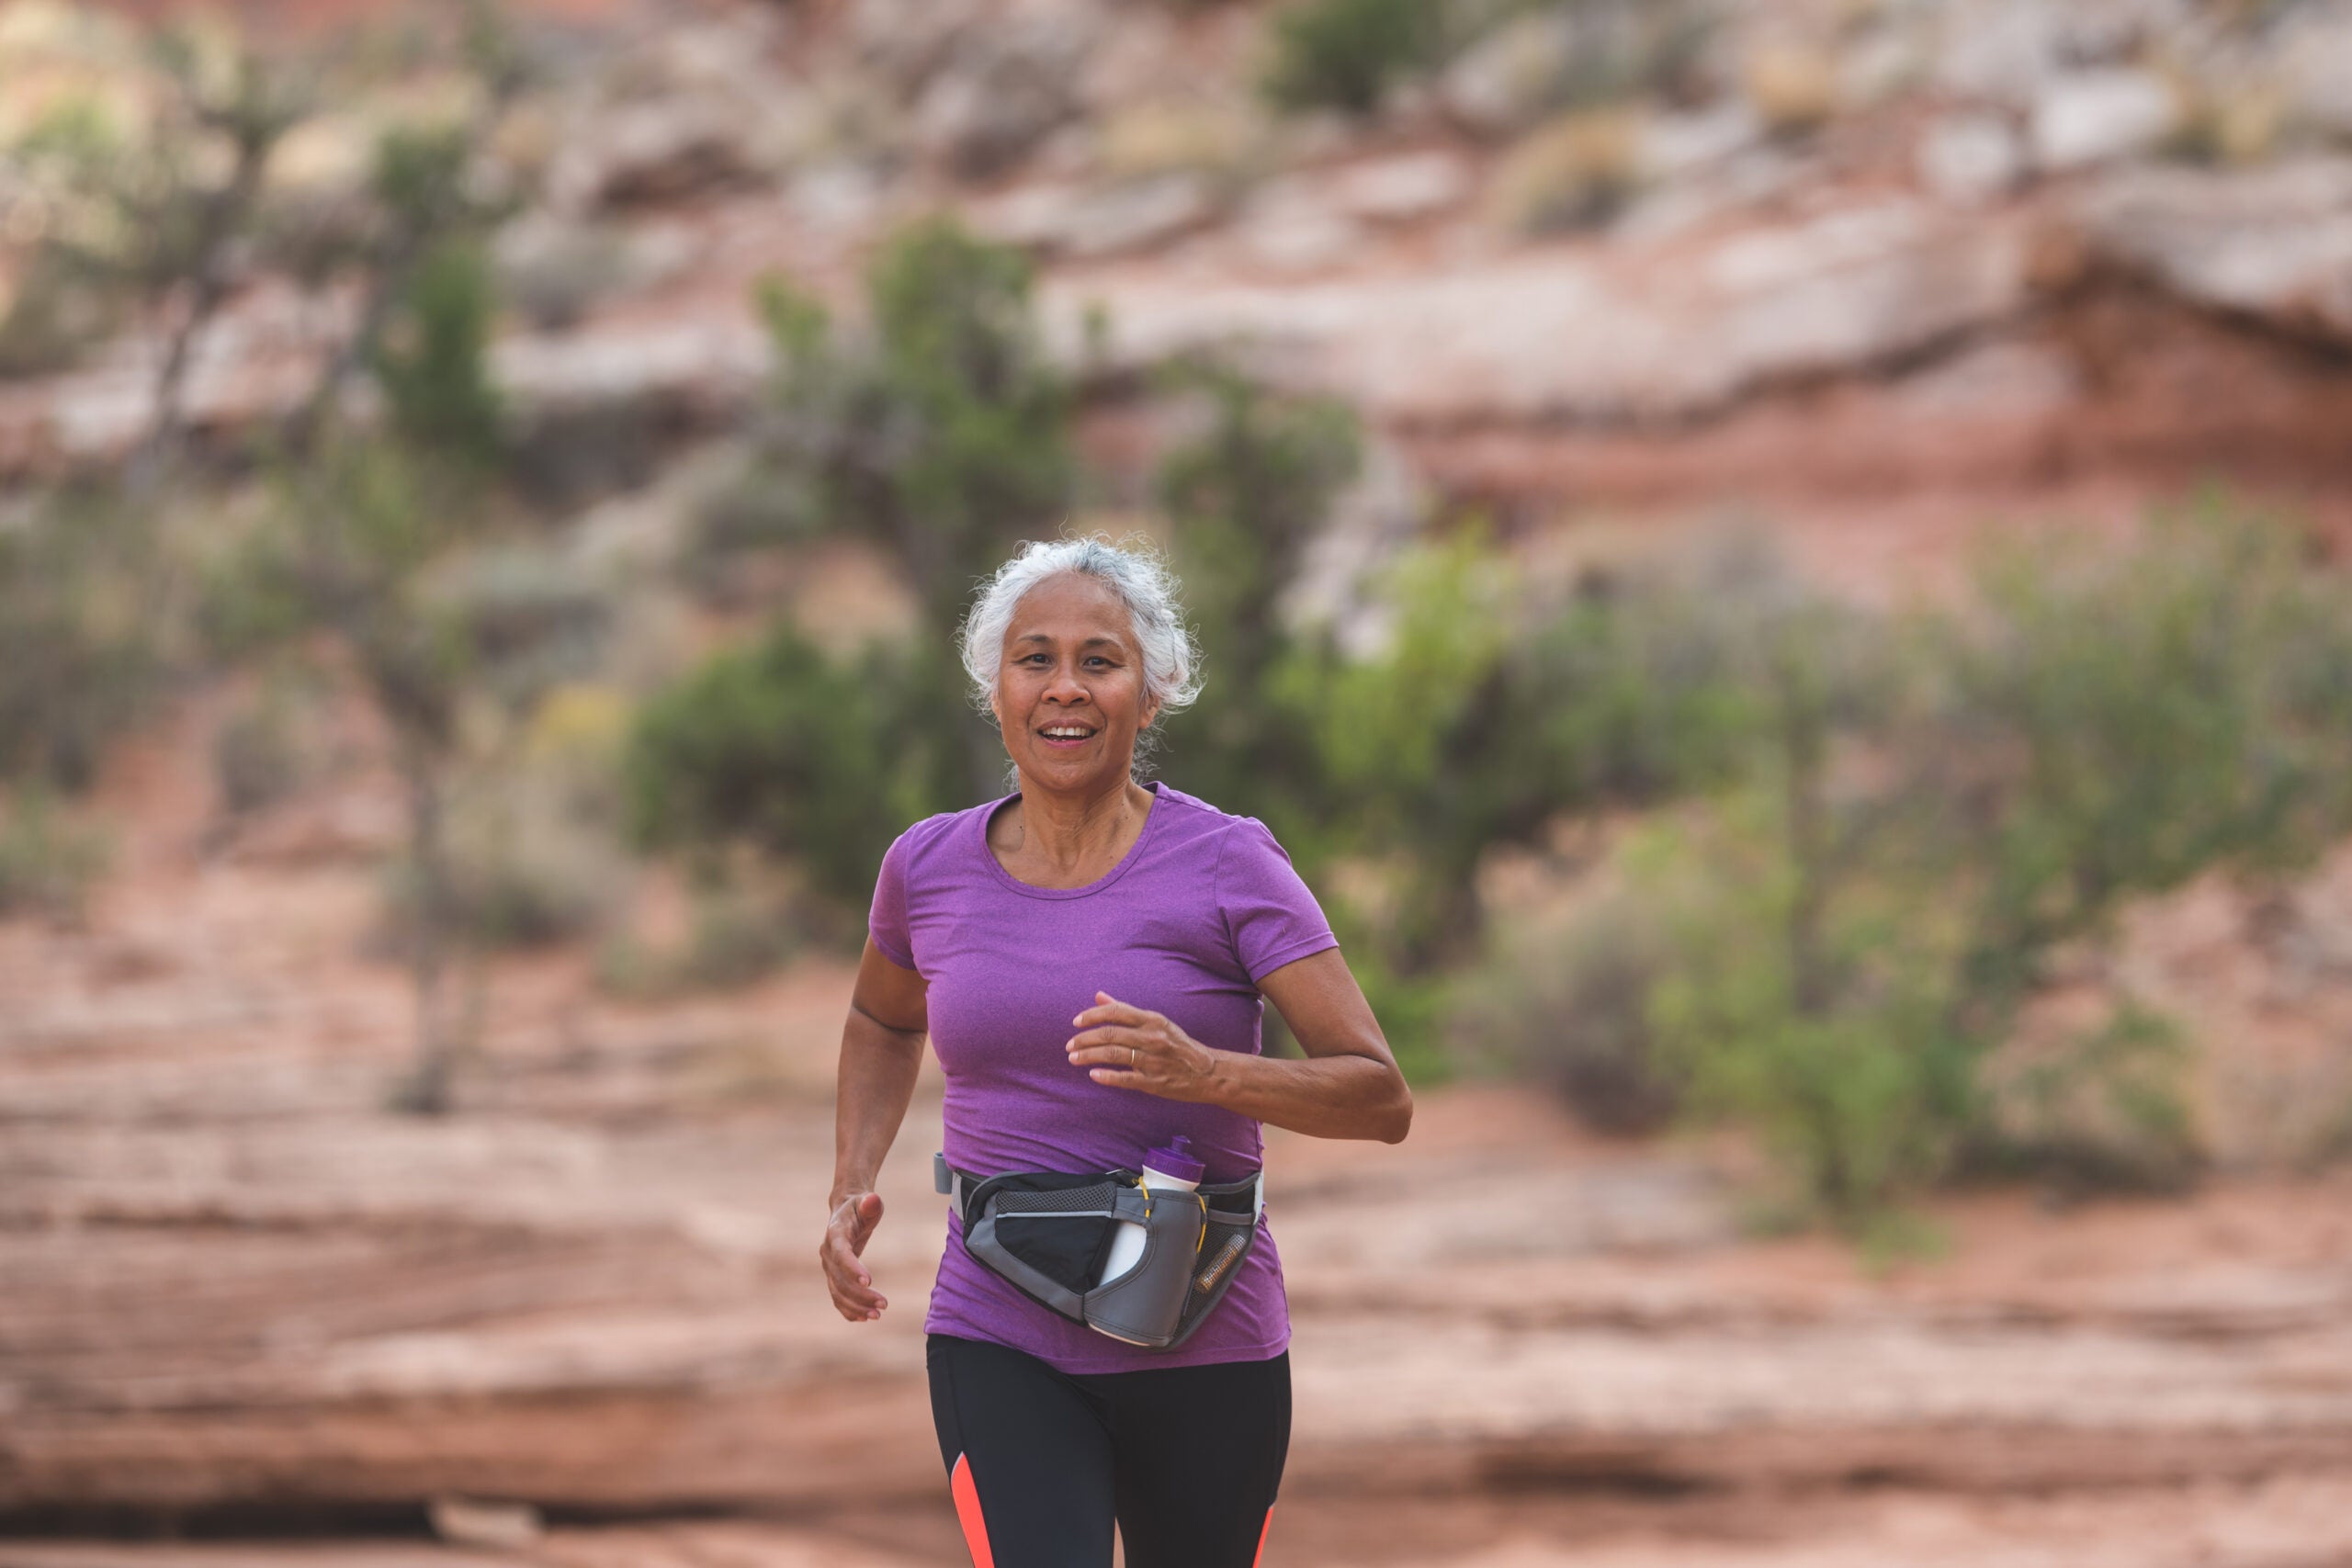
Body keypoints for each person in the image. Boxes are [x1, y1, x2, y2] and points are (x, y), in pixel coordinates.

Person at [820, 534, 1414, 1568]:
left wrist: (1209, 1074)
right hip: (996, 1324)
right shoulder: (926, 867)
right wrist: (850, 1180)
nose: (1066, 689)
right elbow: (882, 1018)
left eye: (1101, 661)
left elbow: (1380, 1097)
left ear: (1151, 694)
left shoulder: (1230, 861)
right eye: (1034, 658)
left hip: (1207, 1331)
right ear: (995, 689)